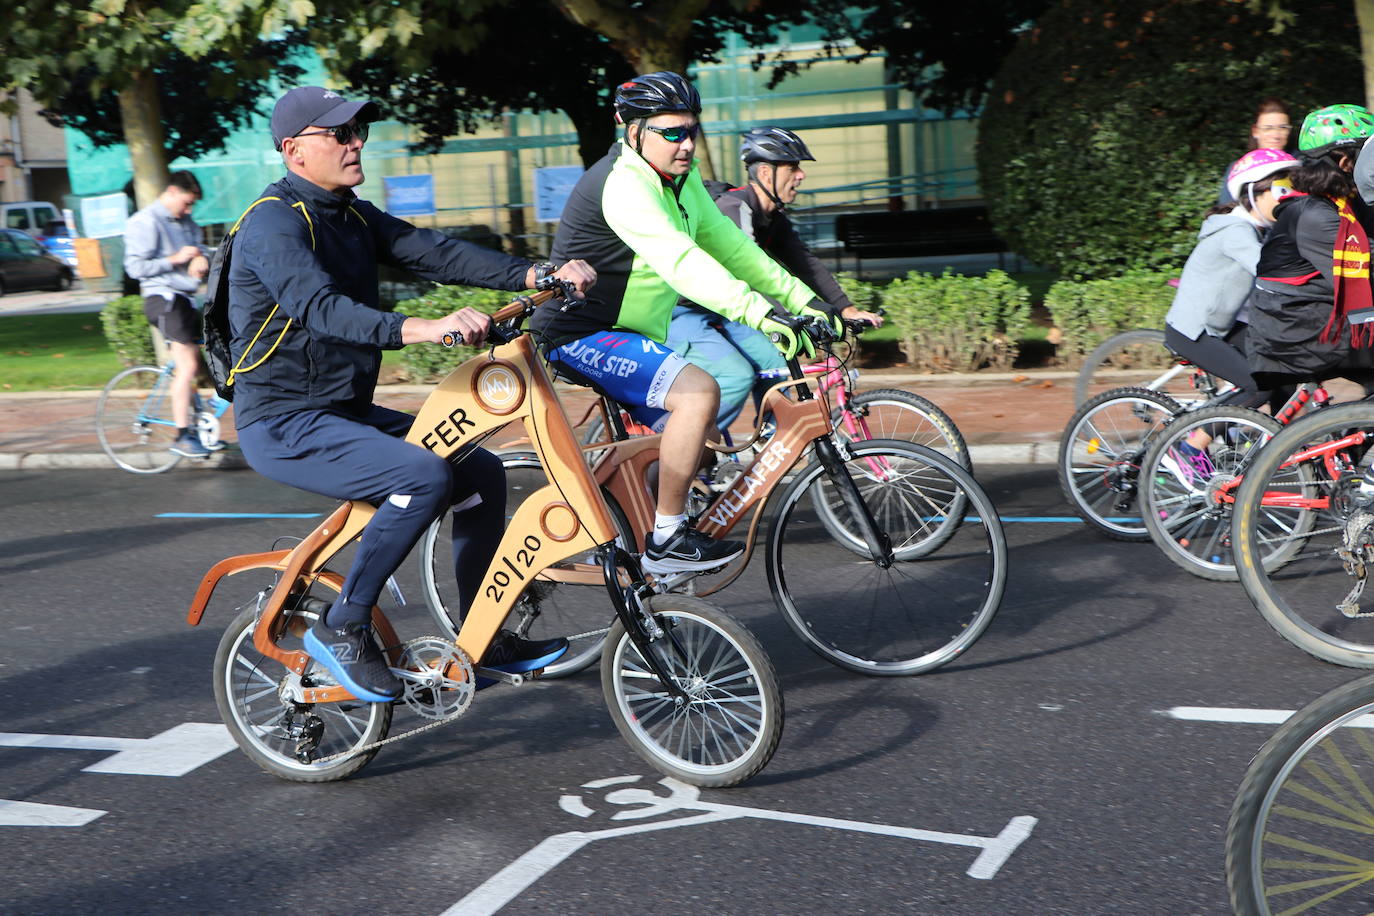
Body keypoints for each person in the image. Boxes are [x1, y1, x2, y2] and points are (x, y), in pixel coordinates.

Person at [227, 86, 596, 703]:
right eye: (339, 134)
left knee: (476, 467)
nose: (356, 143)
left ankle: (486, 635)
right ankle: (345, 624)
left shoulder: (350, 213)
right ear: (294, 151)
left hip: (342, 411)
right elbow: (320, 309)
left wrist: (535, 274)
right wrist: (420, 328)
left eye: (358, 132)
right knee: (422, 478)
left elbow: (434, 253)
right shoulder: (272, 223)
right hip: (283, 421)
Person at [530, 72, 838, 575]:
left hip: (630, 332)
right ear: (632, 131)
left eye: (692, 131)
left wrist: (809, 306)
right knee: (699, 394)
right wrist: (761, 314)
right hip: (578, 331)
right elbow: (682, 262)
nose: (687, 144)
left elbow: (733, 250)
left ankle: (644, 529)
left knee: (698, 438)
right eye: (672, 133)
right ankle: (667, 541)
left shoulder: (680, 178)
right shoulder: (624, 184)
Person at [665, 126, 883, 432]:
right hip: (682, 310)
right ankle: (689, 444)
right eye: (793, 167)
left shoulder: (774, 218)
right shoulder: (734, 207)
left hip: (725, 308)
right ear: (766, 173)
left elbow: (805, 264)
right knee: (736, 376)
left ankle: (770, 444)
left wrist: (845, 310)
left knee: (777, 362)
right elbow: (748, 272)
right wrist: (788, 316)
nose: (801, 175)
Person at [1247, 103, 1374, 391]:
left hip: (1314, 319)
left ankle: (1357, 426)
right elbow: (1365, 270)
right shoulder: (1314, 214)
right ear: (1345, 163)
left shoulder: (1344, 202)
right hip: (1293, 333)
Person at [1165, 148, 1300, 410]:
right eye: (1281, 189)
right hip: (1195, 331)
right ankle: (1189, 447)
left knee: (1285, 379)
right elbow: (1274, 272)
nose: (1289, 197)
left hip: (1223, 324)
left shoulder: (1259, 230)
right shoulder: (1236, 233)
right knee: (1261, 385)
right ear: (1253, 193)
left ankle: (1271, 445)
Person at [123, 170, 220, 458]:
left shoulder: (186, 221)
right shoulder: (145, 222)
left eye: (192, 205)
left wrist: (200, 259)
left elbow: (199, 249)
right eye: (186, 203)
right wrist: (175, 259)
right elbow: (135, 268)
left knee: (203, 363)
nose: (189, 210)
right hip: (162, 299)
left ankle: (200, 430)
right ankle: (182, 435)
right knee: (188, 366)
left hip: (185, 299)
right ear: (171, 192)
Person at [1218, 98, 1293, 205]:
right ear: (1255, 131)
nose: (1276, 135)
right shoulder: (1239, 168)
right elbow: (1225, 208)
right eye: (1268, 128)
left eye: (1283, 128)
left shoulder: (1300, 165)